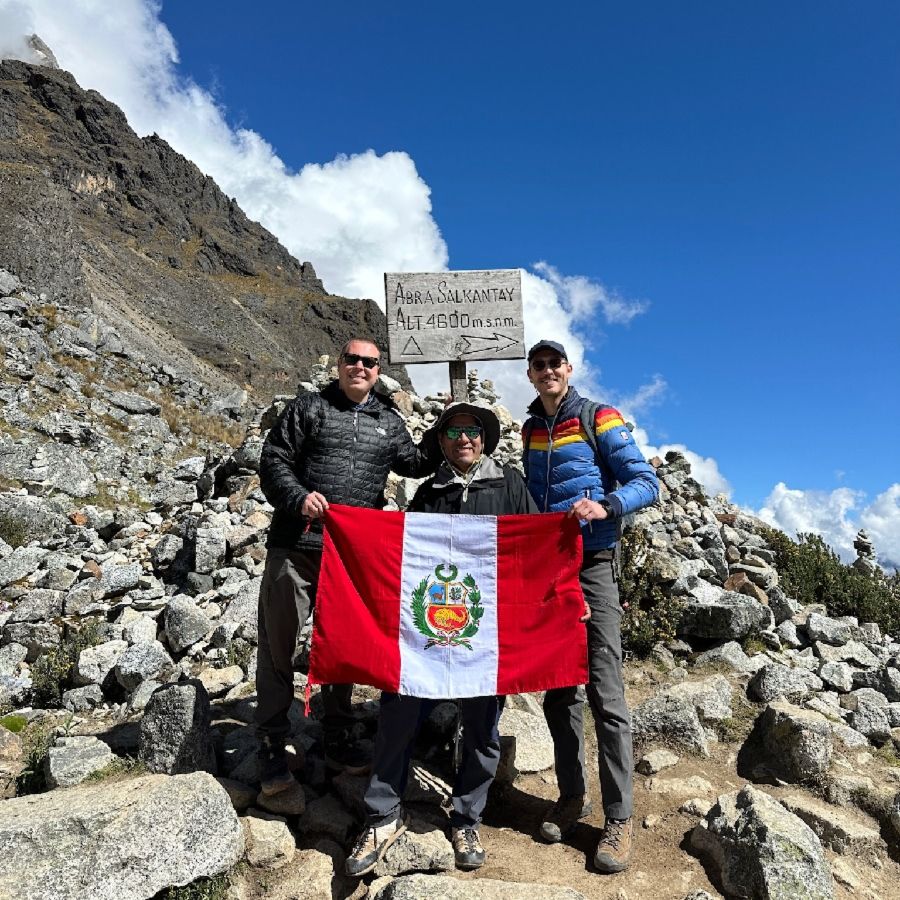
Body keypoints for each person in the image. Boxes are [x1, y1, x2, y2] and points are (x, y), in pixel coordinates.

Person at [345, 402, 539, 877]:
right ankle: (383, 813)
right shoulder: (429, 491)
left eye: (472, 431)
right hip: (429, 635)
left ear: (485, 438)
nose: (464, 439)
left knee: (483, 724)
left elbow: (534, 546)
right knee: (398, 710)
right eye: (453, 432)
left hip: (487, 634)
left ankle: (467, 816)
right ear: (442, 442)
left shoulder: (510, 484)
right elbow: (407, 559)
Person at [255, 337, 437, 801]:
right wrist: (298, 499)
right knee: (279, 645)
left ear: (379, 371)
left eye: (369, 362)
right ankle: (272, 743)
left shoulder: (388, 422)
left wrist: (450, 425)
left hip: (351, 555)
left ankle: (336, 734)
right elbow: (273, 459)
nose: (360, 367)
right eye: (352, 359)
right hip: (295, 547)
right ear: (339, 364)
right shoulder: (308, 409)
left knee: (343, 643)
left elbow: (416, 463)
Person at [521, 339, 659, 873]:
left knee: (604, 690)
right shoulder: (531, 429)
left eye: (556, 363)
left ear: (568, 369)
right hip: (550, 568)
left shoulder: (599, 417)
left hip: (595, 563)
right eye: (539, 365)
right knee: (559, 689)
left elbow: (647, 482)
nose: (548, 370)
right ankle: (571, 797)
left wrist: (606, 504)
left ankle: (619, 817)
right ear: (531, 375)